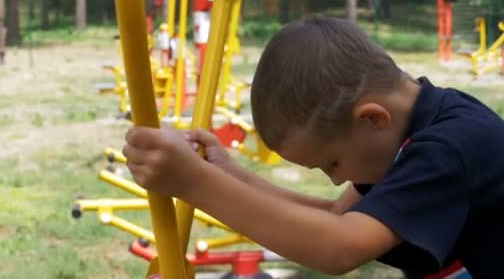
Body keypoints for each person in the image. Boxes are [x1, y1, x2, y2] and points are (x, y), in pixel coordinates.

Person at [122, 17, 504, 278]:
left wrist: (193, 183)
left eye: (332, 163)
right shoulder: (412, 126)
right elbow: (339, 216)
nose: (337, 179)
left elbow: (339, 248)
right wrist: (226, 173)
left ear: (371, 118)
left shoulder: (446, 150)